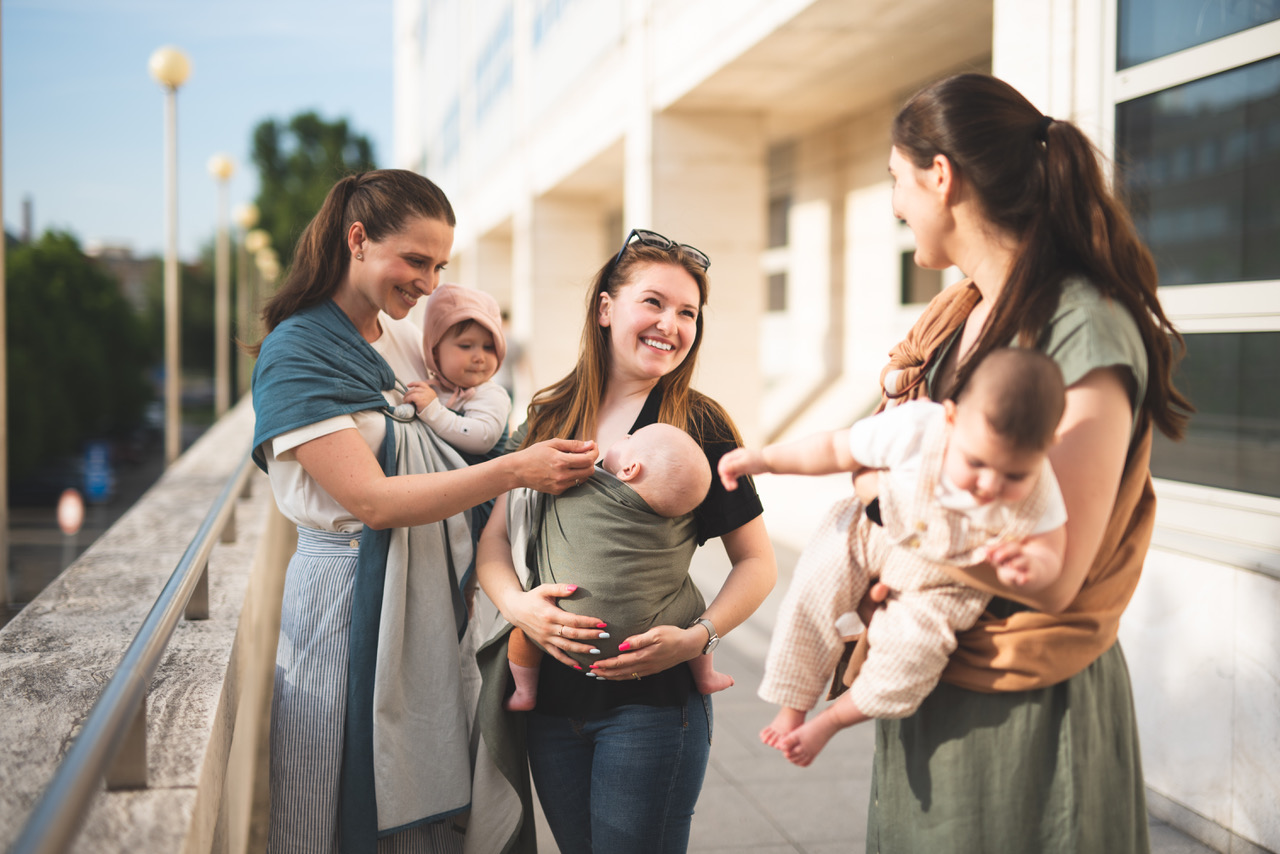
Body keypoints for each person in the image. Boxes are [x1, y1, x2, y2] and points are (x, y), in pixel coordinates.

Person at [843, 73, 1191, 852]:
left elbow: (1056, 572)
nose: (896, 206)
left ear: (942, 176)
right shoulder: (959, 314)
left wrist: (886, 510)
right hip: (932, 674)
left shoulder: (1084, 332)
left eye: (897, 181)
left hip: (1028, 711)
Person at [248, 169, 597, 854]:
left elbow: (473, 425)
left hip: (435, 590)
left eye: (439, 264)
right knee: (335, 779)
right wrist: (516, 469)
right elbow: (371, 500)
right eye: (415, 260)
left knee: (433, 785)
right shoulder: (299, 351)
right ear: (357, 240)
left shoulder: (404, 337)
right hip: (346, 595)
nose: (429, 282)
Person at [474, 228, 777, 854]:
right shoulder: (547, 415)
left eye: (688, 312)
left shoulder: (698, 425)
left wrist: (698, 639)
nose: (672, 323)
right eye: (654, 302)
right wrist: (520, 607)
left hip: (654, 707)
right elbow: (496, 543)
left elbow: (757, 564)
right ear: (606, 308)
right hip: (549, 704)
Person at [718, 348, 1067, 768]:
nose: (989, 484)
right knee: (815, 590)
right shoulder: (918, 427)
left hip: (946, 583)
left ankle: (831, 723)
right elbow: (834, 448)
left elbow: (1052, 552)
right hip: (870, 535)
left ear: (1049, 447)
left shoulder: (1043, 489)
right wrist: (766, 460)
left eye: (1014, 475)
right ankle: (793, 703)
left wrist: (1030, 565)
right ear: (951, 418)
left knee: (915, 652)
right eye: (975, 461)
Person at [504, 422, 733, 712]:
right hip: (648, 635)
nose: (623, 434)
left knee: (520, 634)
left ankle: (525, 692)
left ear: (629, 469)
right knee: (695, 609)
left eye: (631, 438)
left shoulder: (579, 481)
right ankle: (706, 676)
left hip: (563, 632)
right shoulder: (662, 516)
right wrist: (697, 638)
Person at [403, 282, 512, 457]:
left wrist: (434, 411)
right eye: (466, 346)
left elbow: (481, 438)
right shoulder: (432, 387)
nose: (479, 357)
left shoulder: (490, 394)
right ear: (435, 350)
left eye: (489, 347)